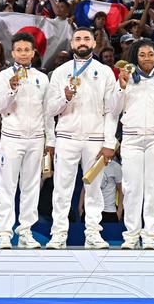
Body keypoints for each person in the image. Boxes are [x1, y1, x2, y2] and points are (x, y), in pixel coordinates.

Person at [46, 27, 118, 250]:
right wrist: (65, 98)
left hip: (95, 139)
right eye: (78, 39)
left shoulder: (105, 72)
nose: (82, 42)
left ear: (94, 43)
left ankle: (93, 234)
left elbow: (112, 110)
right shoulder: (60, 72)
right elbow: (50, 109)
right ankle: (58, 234)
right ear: (72, 44)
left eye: (87, 38)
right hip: (66, 137)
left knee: (94, 188)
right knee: (62, 188)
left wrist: (109, 142)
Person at [0, 32, 53, 249]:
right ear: (12, 53)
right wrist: (12, 89)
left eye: (27, 50)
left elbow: (47, 113)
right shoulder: (4, 76)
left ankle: (26, 232)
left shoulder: (42, 78)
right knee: (7, 187)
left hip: (36, 138)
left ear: (33, 53)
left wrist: (50, 140)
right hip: (12, 138)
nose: (23, 53)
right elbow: (0, 107)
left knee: (31, 187)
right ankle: (4, 233)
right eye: (19, 50)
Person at [113, 40, 154, 249]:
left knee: (153, 188)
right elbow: (114, 109)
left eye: (150, 54)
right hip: (132, 139)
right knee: (131, 189)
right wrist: (121, 87)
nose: (147, 58)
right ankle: (131, 235)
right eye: (142, 55)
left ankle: (149, 235)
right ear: (135, 57)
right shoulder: (126, 80)